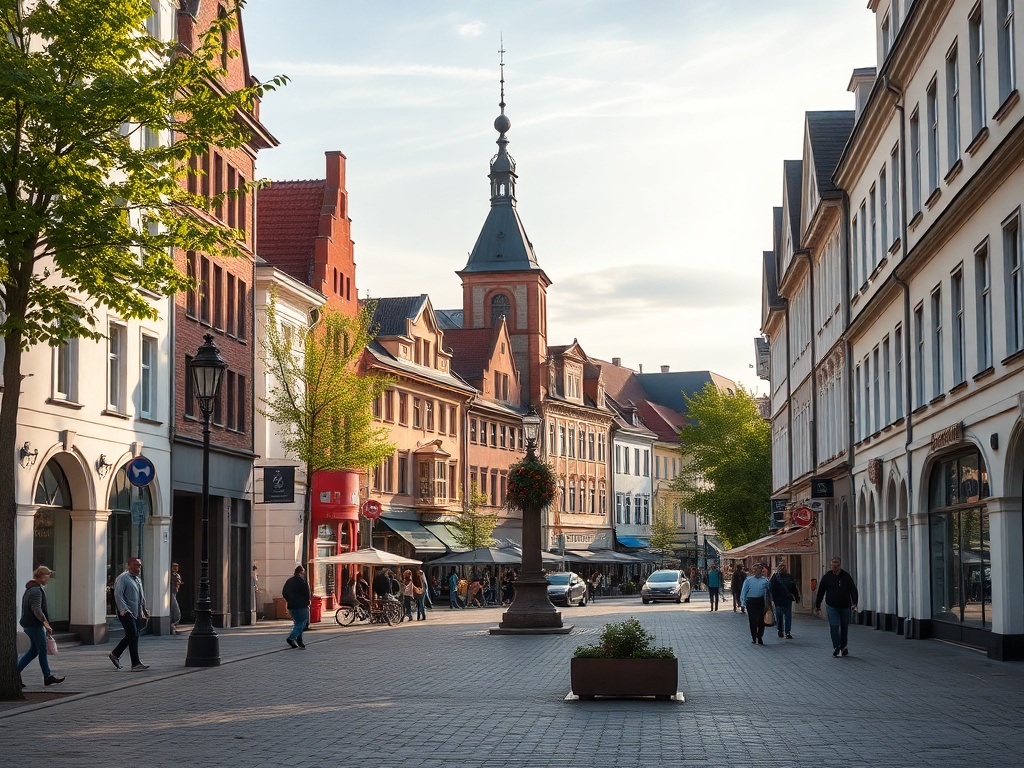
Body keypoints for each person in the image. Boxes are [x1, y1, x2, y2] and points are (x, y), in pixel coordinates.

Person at [17, 565, 64, 687]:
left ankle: (15, 672)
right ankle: (47, 676)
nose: (48, 579)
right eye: (47, 576)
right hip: (34, 625)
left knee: (34, 651)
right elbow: (36, 609)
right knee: (42, 650)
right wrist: (46, 624)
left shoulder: (30, 589)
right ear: (42, 576)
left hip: (29, 624)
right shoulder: (35, 590)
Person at [109, 557, 150, 671]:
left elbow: (141, 597)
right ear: (128, 566)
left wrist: (144, 610)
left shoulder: (138, 580)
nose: (137, 568)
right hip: (126, 612)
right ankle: (115, 654)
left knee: (134, 636)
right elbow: (118, 594)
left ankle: (136, 664)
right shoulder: (123, 578)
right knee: (132, 633)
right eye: (135, 565)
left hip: (136, 613)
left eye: (139, 565)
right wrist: (124, 609)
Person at [815, 556, 859, 657]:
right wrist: (817, 605)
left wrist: (854, 603)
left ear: (839, 566)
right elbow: (821, 591)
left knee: (844, 627)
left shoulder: (846, 576)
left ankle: (844, 647)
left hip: (845, 606)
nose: (834, 568)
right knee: (834, 626)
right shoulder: (827, 577)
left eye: (836, 566)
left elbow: (853, 589)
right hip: (832, 606)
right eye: (832, 566)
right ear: (830, 566)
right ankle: (837, 647)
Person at [739, 562, 771, 645]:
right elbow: (744, 591)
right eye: (755, 570)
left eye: (758, 569)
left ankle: (759, 636)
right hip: (751, 602)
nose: (756, 571)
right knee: (752, 620)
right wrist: (743, 602)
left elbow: (768, 592)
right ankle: (754, 637)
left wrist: (769, 603)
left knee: (760, 620)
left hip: (760, 602)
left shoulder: (765, 581)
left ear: (761, 570)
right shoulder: (749, 580)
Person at [282, 565, 311, 649]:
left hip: (291, 606)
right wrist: (307, 602)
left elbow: (284, 592)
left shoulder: (289, 581)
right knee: (303, 622)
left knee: (298, 623)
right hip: (301, 605)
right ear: (301, 572)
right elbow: (306, 593)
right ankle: (291, 638)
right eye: (303, 572)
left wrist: (289, 600)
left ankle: (299, 641)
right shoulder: (302, 581)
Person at [769, 563, 800, 639]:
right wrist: (797, 597)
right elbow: (794, 589)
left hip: (779, 600)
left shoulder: (775, 577)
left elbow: (771, 589)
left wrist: (772, 599)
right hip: (785, 600)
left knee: (780, 616)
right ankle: (787, 632)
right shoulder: (788, 577)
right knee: (787, 616)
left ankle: (781, 630)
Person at [169, 562, 183, 634]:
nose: (175, 568)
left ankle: (173, 626)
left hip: (174, 592)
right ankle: (174, 623)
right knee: (175, 609)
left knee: (173, 609)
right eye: (174, 567)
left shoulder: (177, 575)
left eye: (176, 567)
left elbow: (178, 582)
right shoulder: (170, 575)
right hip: (171, 593)